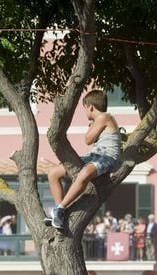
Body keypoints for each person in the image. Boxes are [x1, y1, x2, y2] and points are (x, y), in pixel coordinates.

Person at [46, 90, 121, 229]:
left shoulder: (105, 117)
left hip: (107, 157)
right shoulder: (102, 120)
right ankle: (58, 210)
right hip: (93, 155)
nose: (85, 112)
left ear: (90, 107)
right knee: (53, 173)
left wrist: (92, 127)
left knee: (85, 173)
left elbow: (87, 139)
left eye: (85, 109)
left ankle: (61, 208)